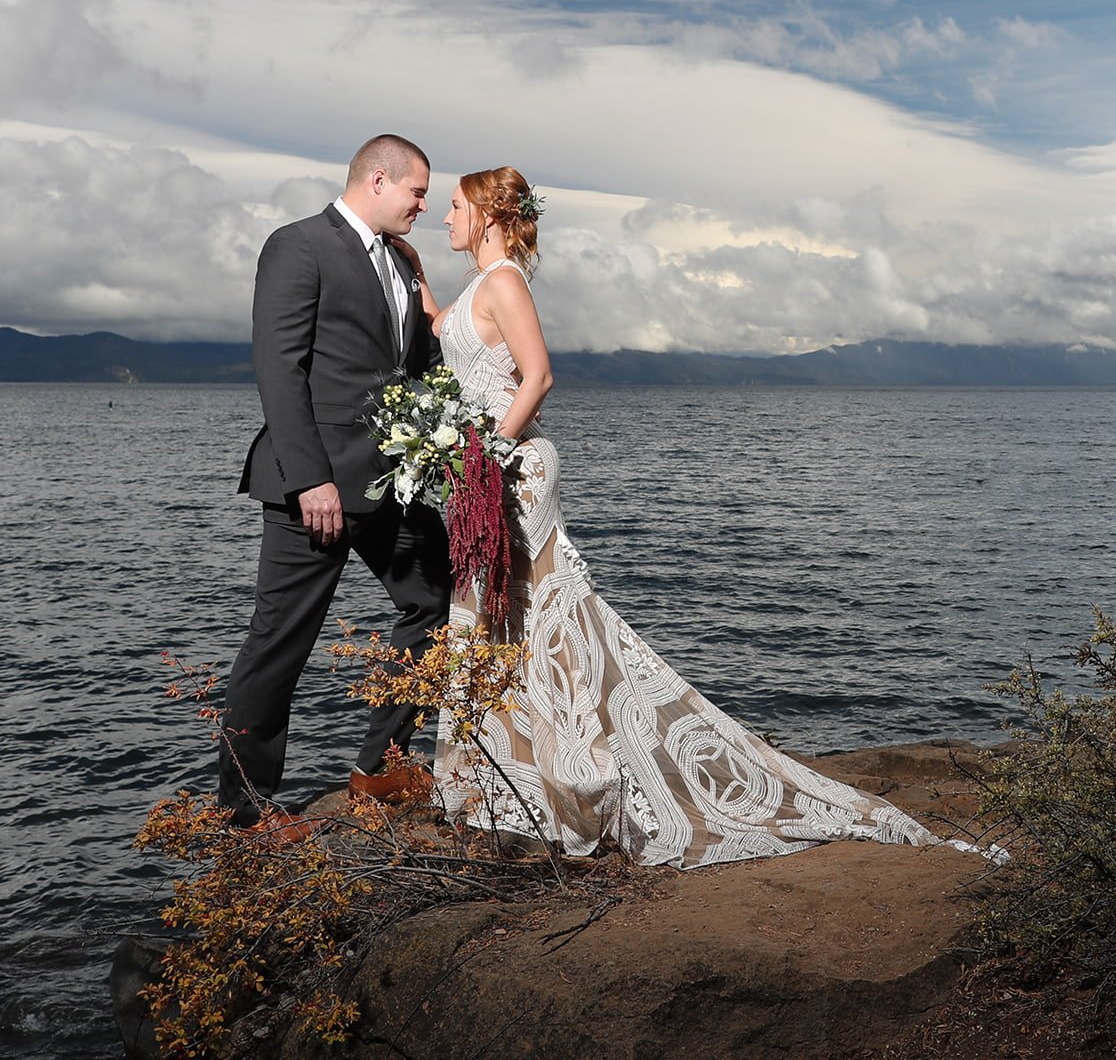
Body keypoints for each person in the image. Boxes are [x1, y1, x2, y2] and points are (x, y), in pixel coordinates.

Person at [388, 166, 951, 867]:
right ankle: (507, 783)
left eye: (453, 206)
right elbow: (446, 329)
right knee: (493, 615)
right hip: (479, 476)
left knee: (534, 617)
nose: (444, 217)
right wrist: (413, 270)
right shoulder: (479, 285)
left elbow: (538, 375)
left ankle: (571, 775)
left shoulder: (505, 282)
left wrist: (489, 453)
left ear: (489, 214)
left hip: (511, 473)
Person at [217, 134, 451, 830]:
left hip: (389, 482)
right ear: (378, 179)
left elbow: (414, 365)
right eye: (417, 192)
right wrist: (309, 478)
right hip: (313, 489)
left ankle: (381, 767)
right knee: (280, 643)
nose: (423, 206)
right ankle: (245, 814)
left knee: (438, 601)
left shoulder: (401, 262)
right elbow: (278, 368)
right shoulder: (299, 245)